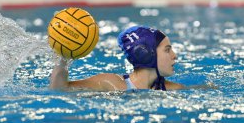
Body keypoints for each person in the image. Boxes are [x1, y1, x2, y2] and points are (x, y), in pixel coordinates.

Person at [50, 26, 185, 91]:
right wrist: (63, 57)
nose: (174, 56)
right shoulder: (110, 83)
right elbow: (59, 89)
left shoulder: (175, 89)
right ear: (146, 53)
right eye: (167, 50)